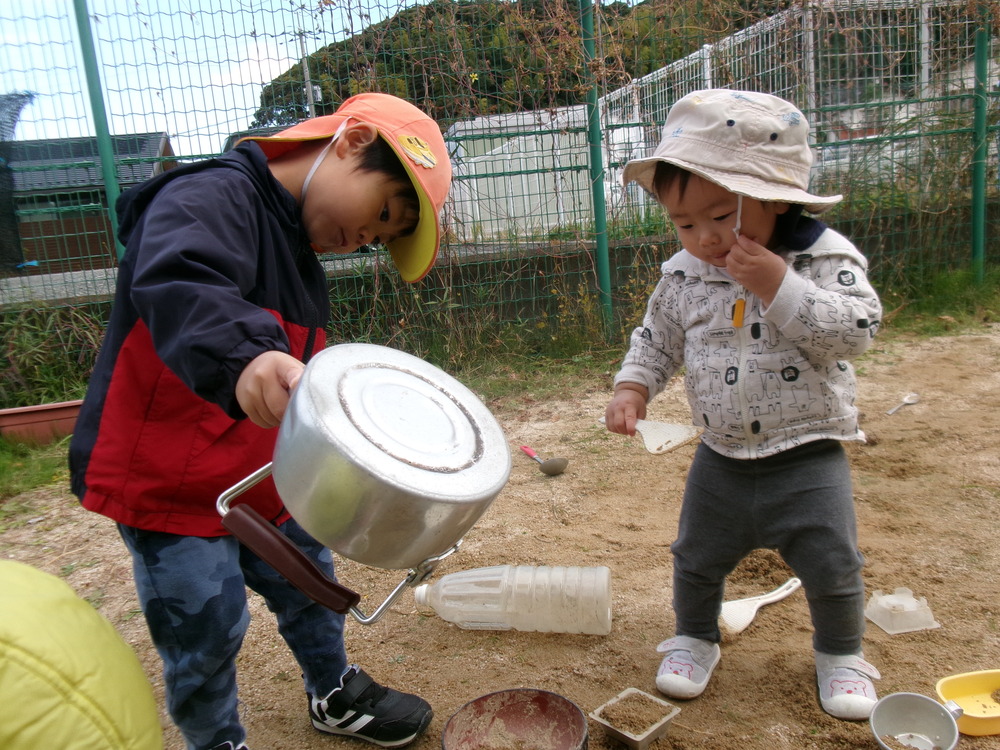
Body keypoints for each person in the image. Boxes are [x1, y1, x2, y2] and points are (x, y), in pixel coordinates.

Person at [69, 92, 452, 750]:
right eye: (383, 212)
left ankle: (331, 691)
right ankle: (216, 739)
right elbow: (182, 280)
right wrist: (246, 357)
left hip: (264, 469)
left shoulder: (301, 252)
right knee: (206, 626)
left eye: (381, 240)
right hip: (171, 478)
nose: (366, 239)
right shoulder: (214, 196)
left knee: (311, 582)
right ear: (352, 140)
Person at [604, 89, 883, 721]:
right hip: (721, 457)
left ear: (776, 196)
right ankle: (695, 639)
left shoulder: (820, 258)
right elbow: (657, 338)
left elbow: (856, 330)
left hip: (808, 453)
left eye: (722, 215)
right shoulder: (684, 275)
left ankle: (842, 654)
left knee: (833, 564)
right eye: (684, 223)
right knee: (695, 558)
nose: (703, 237)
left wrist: (780, 287)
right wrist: (633, 386)